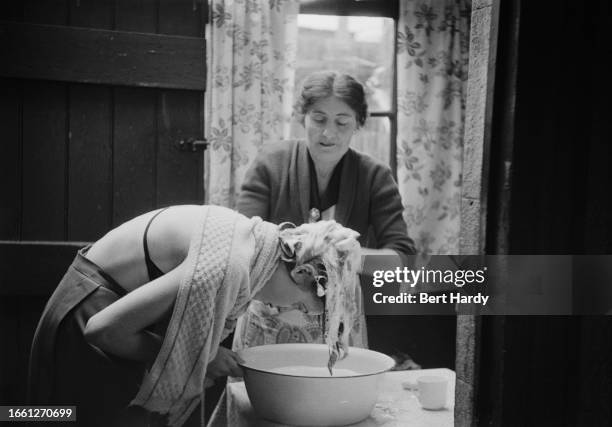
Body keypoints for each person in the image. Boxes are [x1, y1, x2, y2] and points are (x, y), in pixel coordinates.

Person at [27, 204, 360, 427]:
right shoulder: (229, 265)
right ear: (302, 273)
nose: (287, 310)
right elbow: (101, 330)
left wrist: (205, 353)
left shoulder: (257, 244)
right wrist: (201, 357)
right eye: (301, 305)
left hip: (114, 313)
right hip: (87, 312)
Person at [232, 70, 416, 351]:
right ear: (302, 118)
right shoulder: (271, 162)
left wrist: (351, 253)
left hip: (340, 322)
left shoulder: (375, 176)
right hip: (268, 314)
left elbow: (402, 259)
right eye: (319, 120)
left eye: (342, 122)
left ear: (358, 124)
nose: (329, 133)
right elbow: (241, 242)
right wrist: (303, 245)